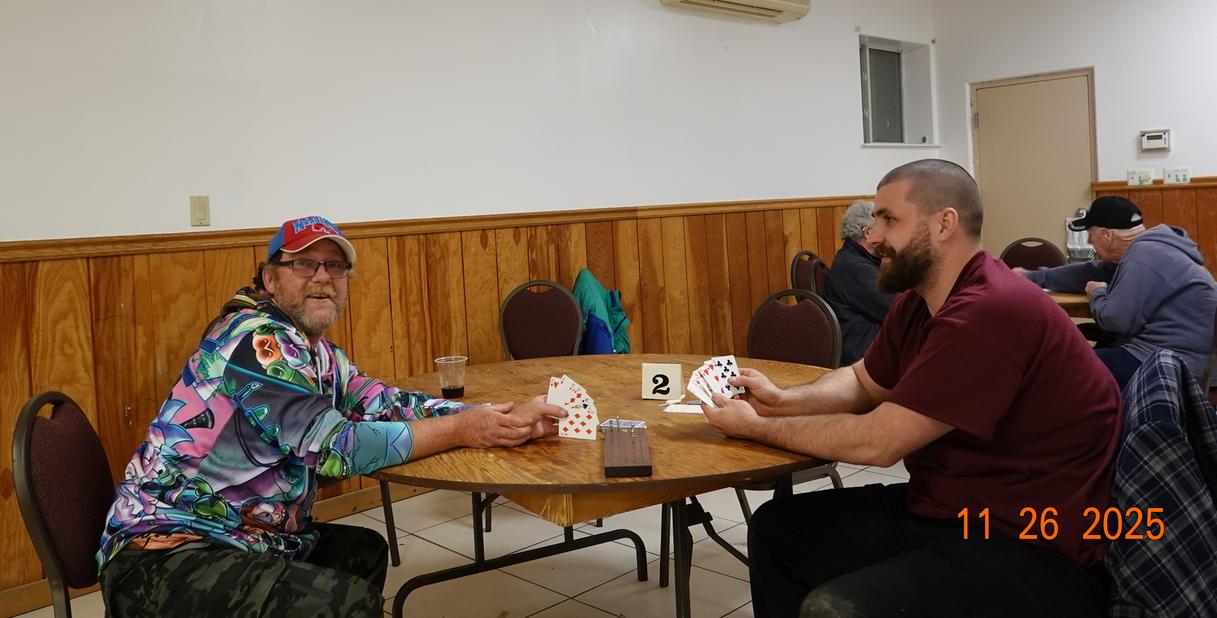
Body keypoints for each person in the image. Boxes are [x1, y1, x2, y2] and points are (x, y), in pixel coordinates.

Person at [700, 160, 1122, 617]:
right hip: (952, 509)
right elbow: (862, 382)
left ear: (944, 223)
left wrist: (755, 426)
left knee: (837, 608)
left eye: (889, 219)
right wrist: (783, 400)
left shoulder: (990, 310)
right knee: (779, 529)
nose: (874, 235)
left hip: (1033, 542)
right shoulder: (920, 301)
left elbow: (878, 441)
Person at [96, 216, 564, 617]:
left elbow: (383, 401)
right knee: (345, 603)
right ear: (270, 279)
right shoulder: (256, 342)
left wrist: (489, 417)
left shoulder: (317, 354)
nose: (322, 276)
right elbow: (340, 449)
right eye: (304, 263)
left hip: (249, 537)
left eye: (335, 266)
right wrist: (464, 429)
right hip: (167, 551)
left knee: (363, 552)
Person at [1016, 195, 1217, 388]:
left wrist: (1097, 293)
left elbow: (1115, 320)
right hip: (1172, 357)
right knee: (1075, 359)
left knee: (1058, 368)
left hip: (1169, 365)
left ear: (1107, 235)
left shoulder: (1144, 255)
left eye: (1090, 234)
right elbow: (1091, 272)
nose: (1089, 242)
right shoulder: (1149, 249)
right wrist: (1032, 277)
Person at [823, 200, 895, 365]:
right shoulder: (855, 267)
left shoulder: (855, 258)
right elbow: (895, 307)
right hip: (861, 349)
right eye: (884, 229)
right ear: (868, 232)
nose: (888, 236)